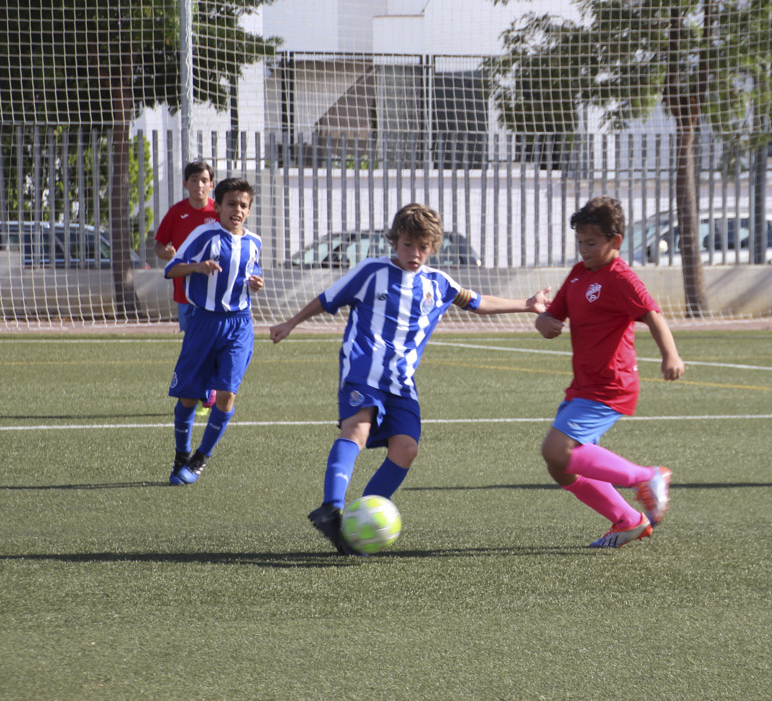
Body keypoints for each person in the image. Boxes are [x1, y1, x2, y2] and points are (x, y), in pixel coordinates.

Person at [269, 203, 550, 555]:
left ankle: (359, 522)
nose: (414, 253)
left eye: (422, 247)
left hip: (402, 381)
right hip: (364, 369)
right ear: (394, 242)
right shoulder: (371, 272)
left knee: (406, 448)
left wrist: (526, 304)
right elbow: (326, 300)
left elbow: (477, 302)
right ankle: (331, 508)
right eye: (407, 245)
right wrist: (290, 323)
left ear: (432, 246)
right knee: (357, 430)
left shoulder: (439, 283)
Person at [535, 196, 685, 548]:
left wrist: (670, 355)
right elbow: (552, 318)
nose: (584, 249)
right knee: (562, 467)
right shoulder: (577, 275)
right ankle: (628, 520)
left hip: (611, 384)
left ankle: (647, 477)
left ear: (615, 241)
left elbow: (653, 314)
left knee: (555, 450)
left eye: (592, 242)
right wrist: (544, 321)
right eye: (580, 242)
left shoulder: (621, 277)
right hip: (583, 385)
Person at [166, 177, 264, 485]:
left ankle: (200, 458)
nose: (237, 210)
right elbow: (171, 269)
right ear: (218, 206)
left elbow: (252, 274)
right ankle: (182, 454)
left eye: (243, 205)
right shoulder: (204, 234)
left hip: (240, 324)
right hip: (204, 323)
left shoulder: (254, 242)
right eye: (231, 204)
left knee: (226, 395)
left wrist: (256, 283)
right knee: (187, 399)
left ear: (249, 210)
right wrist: (197, 267)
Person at [155, 160, 219, 417]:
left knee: (211, 342)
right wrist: (166, 253)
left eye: (204, 180)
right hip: (185, 294)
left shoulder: (219, 213)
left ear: (211, 185)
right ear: (185, 184)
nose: (199, 185)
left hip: (213, 295)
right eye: (194, 180)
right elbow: (159, 246)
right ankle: (196, 391)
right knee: (193, 343)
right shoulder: (176, 212)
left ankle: (208, 391)